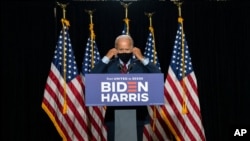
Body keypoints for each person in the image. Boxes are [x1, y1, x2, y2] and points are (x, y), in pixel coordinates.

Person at [90, 34, 161, 141]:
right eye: (121, 49)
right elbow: (92, 78)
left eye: (127, 49)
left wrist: (141, 58)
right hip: (114, 115)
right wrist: (106, 58)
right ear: (115, 50)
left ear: (133, 49)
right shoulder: (109, 65)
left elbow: (158, 76)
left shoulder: (140, 66)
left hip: (137, 115)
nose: (124, 52)